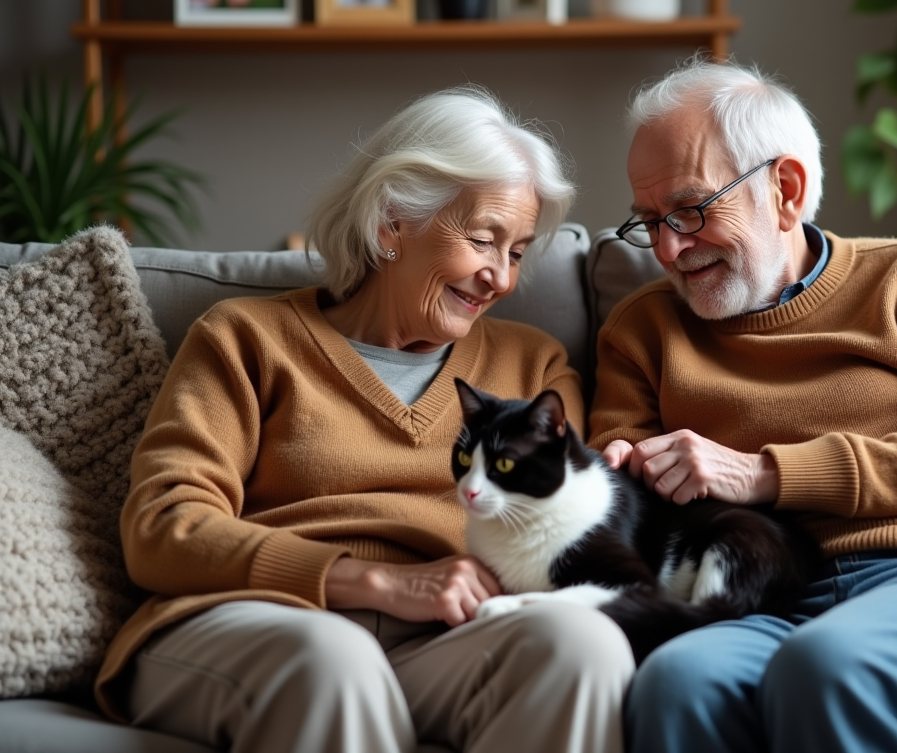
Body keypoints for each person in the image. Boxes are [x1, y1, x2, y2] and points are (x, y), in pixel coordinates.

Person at [94, 86, 634, 753]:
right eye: (482, 240)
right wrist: (372, 580)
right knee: (334, 660)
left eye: (517, 252)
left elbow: (576, 525)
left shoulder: (534, 369)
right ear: (390, 224)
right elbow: (161, 527)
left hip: (446, 641)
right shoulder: (246, 338)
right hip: (263, 619)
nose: (499, 277)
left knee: (583, 645)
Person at [589, 58, 897, 753]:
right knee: (678, 680)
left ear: (784, 190)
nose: (668, 248)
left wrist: (766, 473)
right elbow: (613, 496)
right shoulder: (641, 331)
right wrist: (614, 480)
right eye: (650, 222)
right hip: (766, 596)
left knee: (828, 668)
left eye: (691, 210)